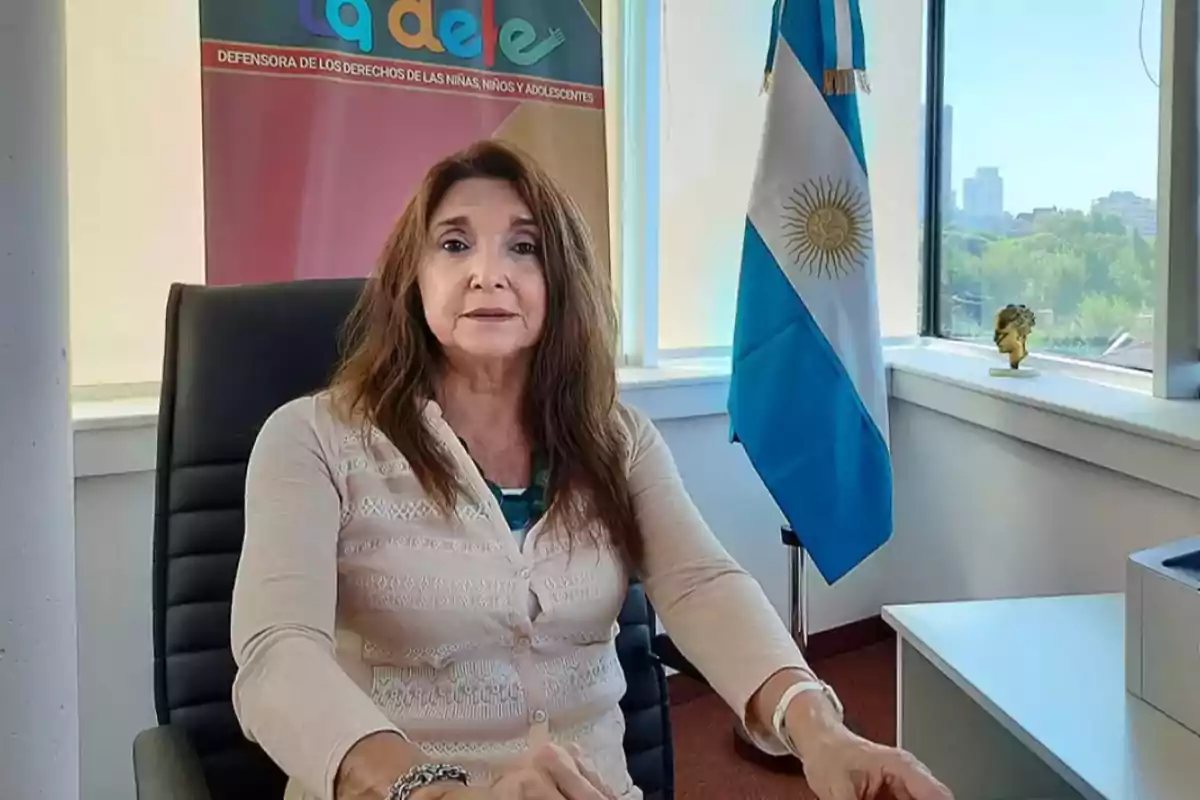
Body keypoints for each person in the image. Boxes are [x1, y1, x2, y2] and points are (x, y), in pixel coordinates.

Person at [230, 139, 952, 800]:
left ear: (560, 280)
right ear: (410, 280)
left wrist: (819, 730)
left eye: (524, 249)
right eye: (454, 245)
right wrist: (426, 789)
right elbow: (276, 654)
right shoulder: (314, 438)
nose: (488, 274)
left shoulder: (617, 440)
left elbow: (702, 584)